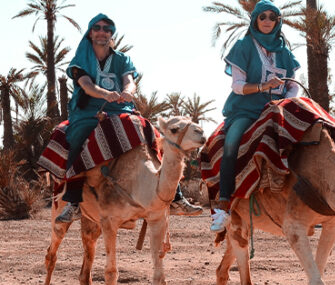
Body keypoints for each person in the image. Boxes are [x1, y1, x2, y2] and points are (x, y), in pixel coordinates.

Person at [56, 13, 200, 223]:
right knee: (77, 137)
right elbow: (86, 85)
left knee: (155, 135)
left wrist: (128, 91)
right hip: (89, 111)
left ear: (111, 34)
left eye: (107, 28)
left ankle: (176, 196)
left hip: (122, 109)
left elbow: (129, 80)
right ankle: (74, 201)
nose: (102, 31)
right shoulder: (81, 59)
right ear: (90, 32)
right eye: (97, 27)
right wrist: (105, 94)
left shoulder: (122, 59)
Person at [210, 0, 300, 232]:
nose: (268, 21)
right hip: (246, 110)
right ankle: (224, 204)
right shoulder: (244, 46)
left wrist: (286, 99)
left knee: (311, 135)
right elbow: (238, 86)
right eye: (263, 17)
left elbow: (293, 86)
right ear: (255, 20)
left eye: (273, 17)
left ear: (278, 21)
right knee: (231, 143)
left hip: (277, 110)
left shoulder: (286, 53)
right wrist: (263, 86)